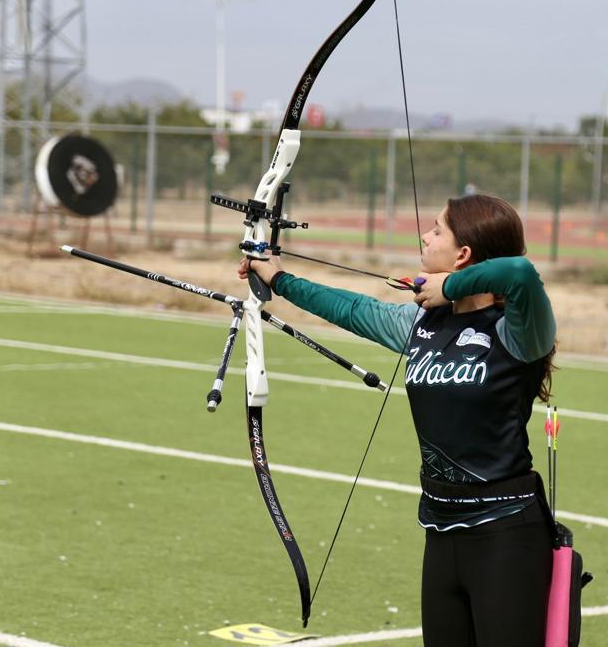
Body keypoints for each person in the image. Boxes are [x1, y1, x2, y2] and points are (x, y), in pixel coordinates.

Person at [239, 194, 557, 646]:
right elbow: (349, 308)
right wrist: (276, 275)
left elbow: (521, 273)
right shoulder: (422, 323)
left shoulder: (518, 331)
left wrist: (448, 287)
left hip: (506, 534)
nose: (425, 236)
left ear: (463, 254)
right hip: (441, 529)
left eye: (437, 230)